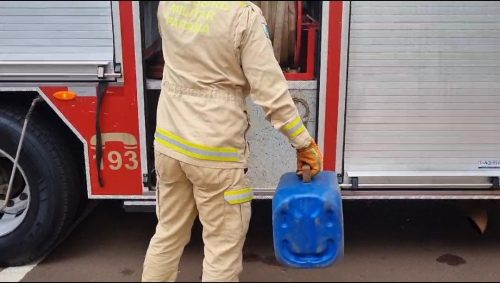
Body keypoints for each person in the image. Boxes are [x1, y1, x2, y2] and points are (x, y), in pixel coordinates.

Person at [142, 1, 323, 282]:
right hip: (215, 152)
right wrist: (303, 143)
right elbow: (270, 91)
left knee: (167, 234)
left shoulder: (169, 4)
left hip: (169, 142)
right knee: (221, 250)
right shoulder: (243, 16)